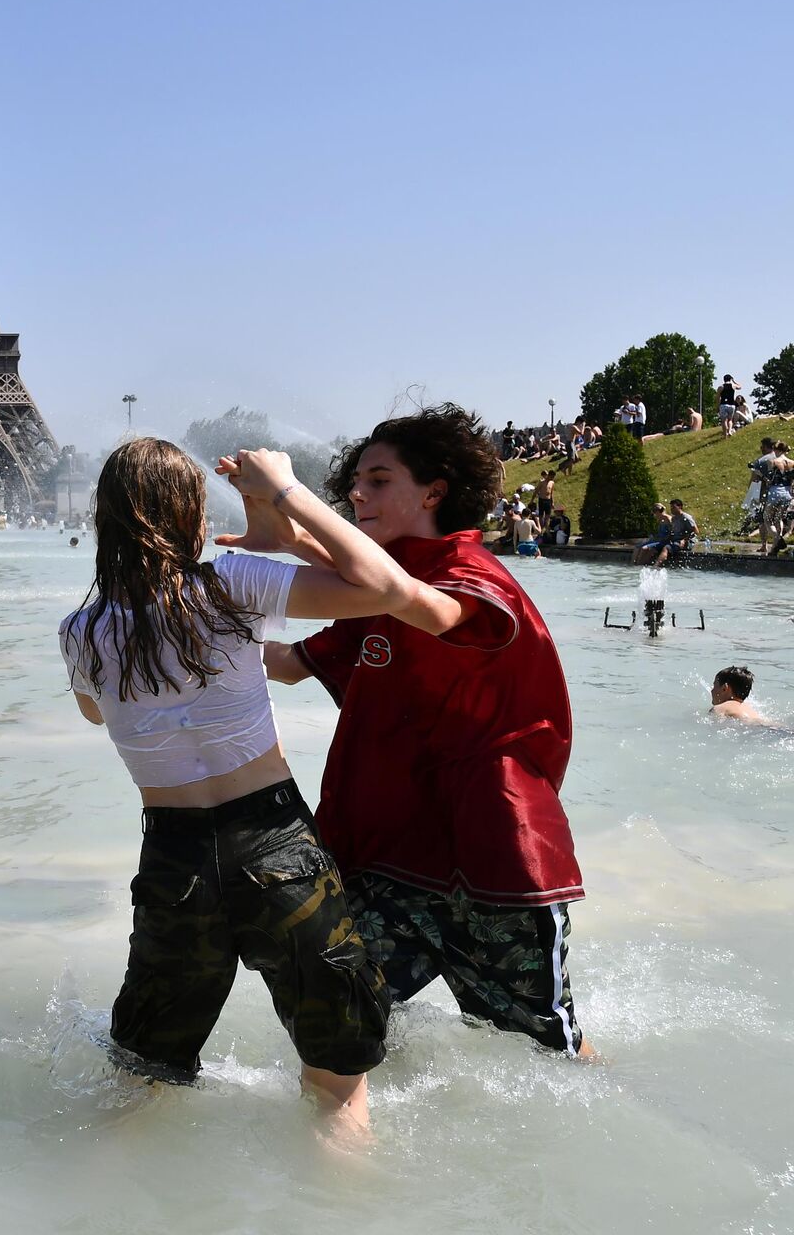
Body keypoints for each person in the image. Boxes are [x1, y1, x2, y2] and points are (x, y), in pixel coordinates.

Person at [61, 438, 394, 1129]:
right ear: (190, 515)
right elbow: (379, 585)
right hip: (276, 847)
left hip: (174, 862)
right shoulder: (232, 584)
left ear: (106, 522)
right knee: (337, 1091)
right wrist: (285, 501)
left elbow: (95, 710)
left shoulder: (81, 631)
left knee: (141, 1086)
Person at [253, 405, 592, 1060]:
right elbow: (289, 665)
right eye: (355, 481)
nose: (356, 493)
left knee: (554, 1061)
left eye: (378, 480)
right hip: (394, 861)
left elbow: (417, 604)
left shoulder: (470, 578)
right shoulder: (375, 597)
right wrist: (186, 625)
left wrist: (292, 504)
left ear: (433, 491)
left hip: (493, 866)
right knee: (336, 1022)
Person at [758, 442, 794, 556]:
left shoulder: (772, 461)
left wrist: (761, 476)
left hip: (775, 492)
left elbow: (770, 479)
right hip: (787, 493)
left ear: (777, 450)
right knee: (778, 519)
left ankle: (778, 538)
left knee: (767, 519)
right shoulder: (792, 463)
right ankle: (774, 548)